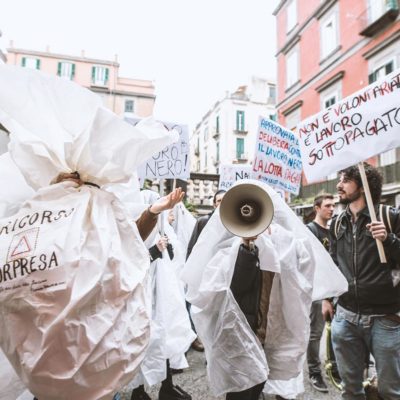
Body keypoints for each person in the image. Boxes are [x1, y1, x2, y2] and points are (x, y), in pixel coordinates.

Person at [323, 164, 400, 400]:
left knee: (390, 390)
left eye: (346, 179)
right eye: (340, 178)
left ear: (365, 185)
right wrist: (327, 299)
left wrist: (388, 239)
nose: (339, 185)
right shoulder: (337, 223)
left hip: (384, 318)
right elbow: (333, 264)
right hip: (345, 317)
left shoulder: (390, 217)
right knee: (350, 389)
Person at [185, 189, 226, 352]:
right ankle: (201, 340)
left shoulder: (235, 222)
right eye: (219, 201)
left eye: (225, 200)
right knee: (203, 311)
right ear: (214, 204)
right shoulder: (203, 221)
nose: (221, 204)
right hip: (204, 274)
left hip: (222, 275)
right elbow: (192, 247)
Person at [305, 194, 335, 393]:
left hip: (335, 288)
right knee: (315, 333)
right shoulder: (310, 230)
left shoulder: (334, 230)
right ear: (317, 208)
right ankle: (314, 372)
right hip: (317, 290)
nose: (331, 209)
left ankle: (334, 367)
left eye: (333, 206)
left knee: (335, 331)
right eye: (327, 206)